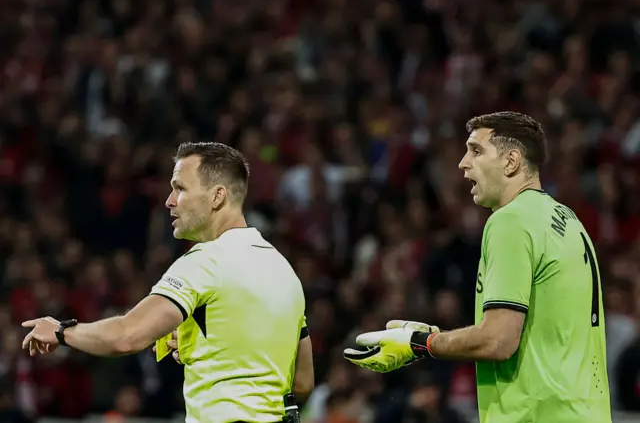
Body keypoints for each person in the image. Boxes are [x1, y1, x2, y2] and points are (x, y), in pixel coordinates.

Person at [344, 112, 612, 423]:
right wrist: (439, 337)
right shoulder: (567, 220)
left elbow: (498, 340)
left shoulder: (511, 221)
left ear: (511, 161)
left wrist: (419, 344)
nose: (463, 162)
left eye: (476, 150)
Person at [21, 142, 314, 423]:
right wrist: (206, 351)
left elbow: (128, 334)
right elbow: (302, 382)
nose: (169, 201)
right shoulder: (284, 271)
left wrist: (62, 332)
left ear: (217, 196)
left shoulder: (206, 261)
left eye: (180, 188)